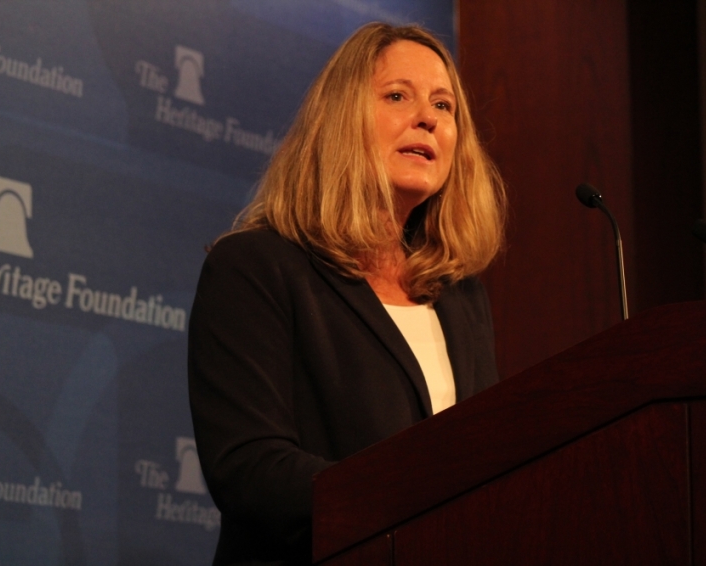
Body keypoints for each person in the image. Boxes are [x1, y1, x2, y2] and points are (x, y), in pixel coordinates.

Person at [188, 22, 506, 565]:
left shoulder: (460, 297)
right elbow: (249, 469)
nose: (427, 118)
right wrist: (412, 493)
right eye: (397, 96)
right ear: (342, 122)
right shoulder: (256, 268)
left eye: (444, 105)